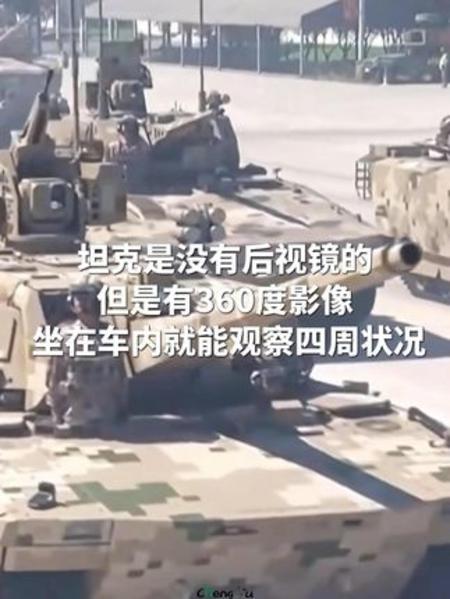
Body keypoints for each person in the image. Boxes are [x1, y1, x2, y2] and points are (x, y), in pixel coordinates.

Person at [45, 282, 128, 437]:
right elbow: (54, 378)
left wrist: (122, 409)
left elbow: (121, 377)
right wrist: (56, 414)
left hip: (107, 419)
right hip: (75, 420)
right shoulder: (65, 335)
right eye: (77, 298)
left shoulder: (112, 335)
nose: (81, 303)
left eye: (86, 298)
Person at [105, 114, 151, 190]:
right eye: (128, 130)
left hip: (139, 187)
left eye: (133, 130)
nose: (130, 133)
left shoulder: (143, 147)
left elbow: (146, 166)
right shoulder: (112, 148)